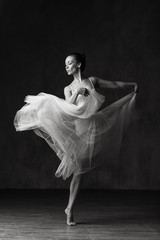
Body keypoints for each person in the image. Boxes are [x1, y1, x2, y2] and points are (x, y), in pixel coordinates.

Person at [14, 52, 137, 226]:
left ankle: (70, 208)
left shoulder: (92, 81)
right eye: (65, 64)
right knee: (79, 171)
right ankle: (70, 209)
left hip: (93, 129)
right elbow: (68, 107)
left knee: (80, 171)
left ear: (78, 65)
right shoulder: (68, 88)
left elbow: (115, 84)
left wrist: (132, 84)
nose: (67, 66)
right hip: (79, 132)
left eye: (70, 63)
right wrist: (77, 91)